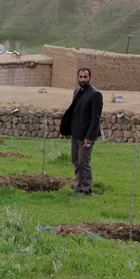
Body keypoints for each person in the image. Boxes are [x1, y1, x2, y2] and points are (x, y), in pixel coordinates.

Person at [60, 67, 103, 196]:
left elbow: (96, 118)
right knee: (76, 161)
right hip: (76, 133)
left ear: (90, 78)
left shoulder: (95, 94)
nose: (83, 79)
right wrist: (68, 130)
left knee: (84, 163)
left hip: (87, 135)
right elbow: (75, 112)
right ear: (78, 78)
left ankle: (87, 189)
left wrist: (89, 137)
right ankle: (79, 186)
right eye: (81, 77)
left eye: (85, 77)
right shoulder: (77, 91)